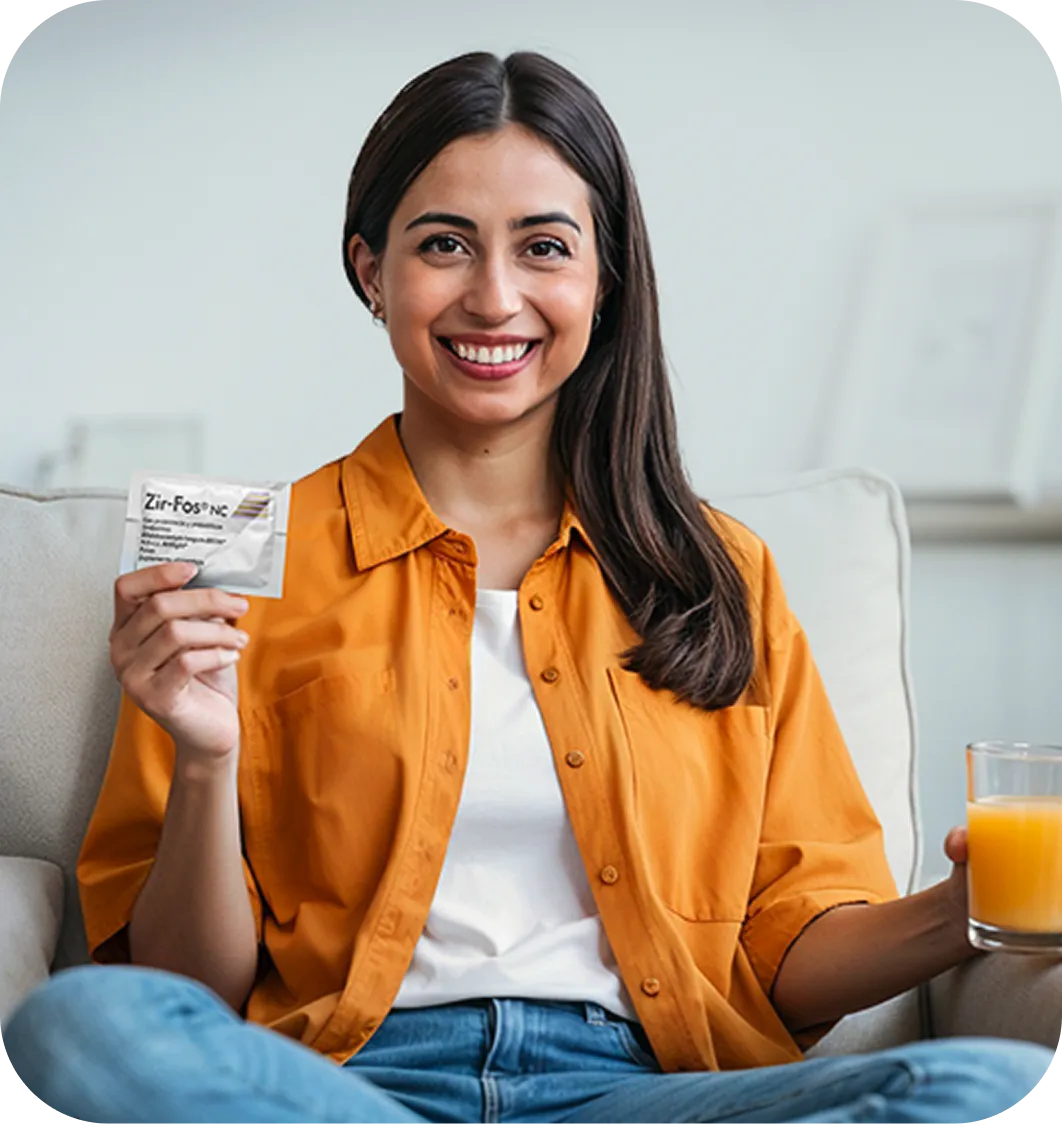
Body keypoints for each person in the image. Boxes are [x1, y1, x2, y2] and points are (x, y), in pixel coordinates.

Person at [4, 50, 1053, 1124]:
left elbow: (788, 953)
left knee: (992, 1082)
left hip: (640, 1093)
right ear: (371, 269)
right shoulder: (239, 562)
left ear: (604, 277)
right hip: (347, 1086)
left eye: (544, 247)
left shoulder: (719, 572)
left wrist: (966, 909)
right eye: (444, 244)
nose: (494, 297)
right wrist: (204, 757)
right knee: (75, 1026)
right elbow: (188, 992)